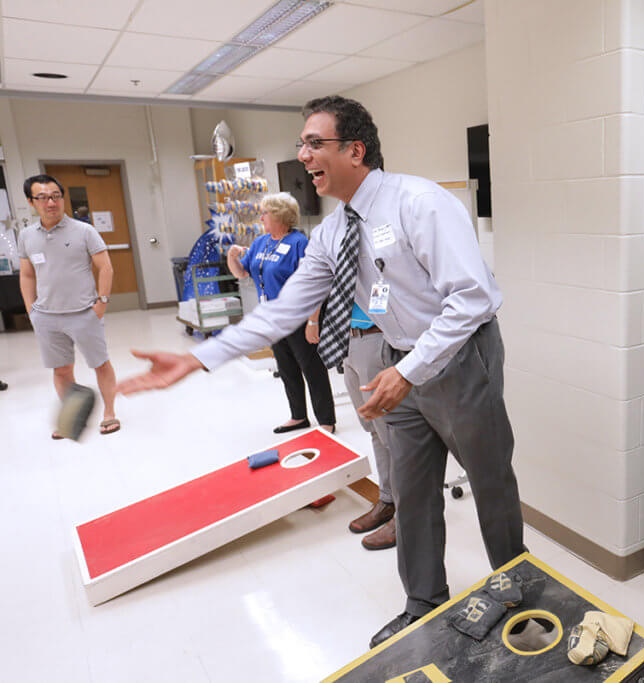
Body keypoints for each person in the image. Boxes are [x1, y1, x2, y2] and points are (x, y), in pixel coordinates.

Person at [117, 96, 524, 648]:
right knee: (411, 489)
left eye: (314, 143)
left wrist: (410, 370)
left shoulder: (420, 203)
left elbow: (471, 300)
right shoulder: (334, 232)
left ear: (354, 150)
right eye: (301, 145)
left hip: (458, 358)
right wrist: (198, 358)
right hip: (396, 362)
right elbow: (283, 311)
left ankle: (514, 591)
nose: (304, 155)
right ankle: (424, 602)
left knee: (489, 478)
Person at [18, 174, 120, 437]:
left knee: (100, 364)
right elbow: (27, 275)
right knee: (61, 370)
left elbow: (105, 267)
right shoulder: (27, 236)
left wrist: (101, 303)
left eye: (55, 196)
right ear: (31, 201)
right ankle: (70, 419)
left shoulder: (84, 231)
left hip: (84, 313)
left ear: (62, 198)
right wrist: (32, 310)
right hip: (47, 317)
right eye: (42, 197)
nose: (51, 202)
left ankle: (109, 413)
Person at [226, 192, 335, 434]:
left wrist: (313, 321)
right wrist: (231, 257)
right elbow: (241, 273)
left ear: (280, 215)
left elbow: (315, 283)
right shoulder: (261, 242)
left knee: (311, 368)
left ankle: (326, 420)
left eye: (265, 212)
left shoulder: (299, 243)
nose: (261, 217)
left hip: (299, 315)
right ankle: (298, 416)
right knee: (286, 368)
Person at [337, 300, 397, 551]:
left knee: (391, 433)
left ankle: (406, 514)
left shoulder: (372, 262)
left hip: (376, 336)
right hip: (348, 338)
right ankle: (388, 499)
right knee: (373, 428)